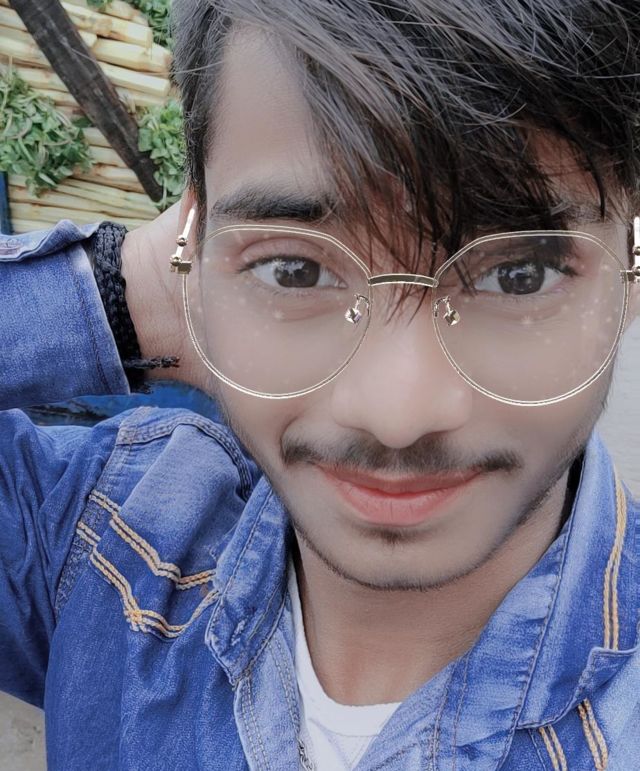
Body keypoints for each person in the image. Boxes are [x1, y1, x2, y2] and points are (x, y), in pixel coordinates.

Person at [1, 1, 640, 768]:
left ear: (632, 269)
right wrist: (128, 289)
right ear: (192, 256)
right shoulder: (102, 537)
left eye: (518, 275)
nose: (397, 413)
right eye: (295, 269)